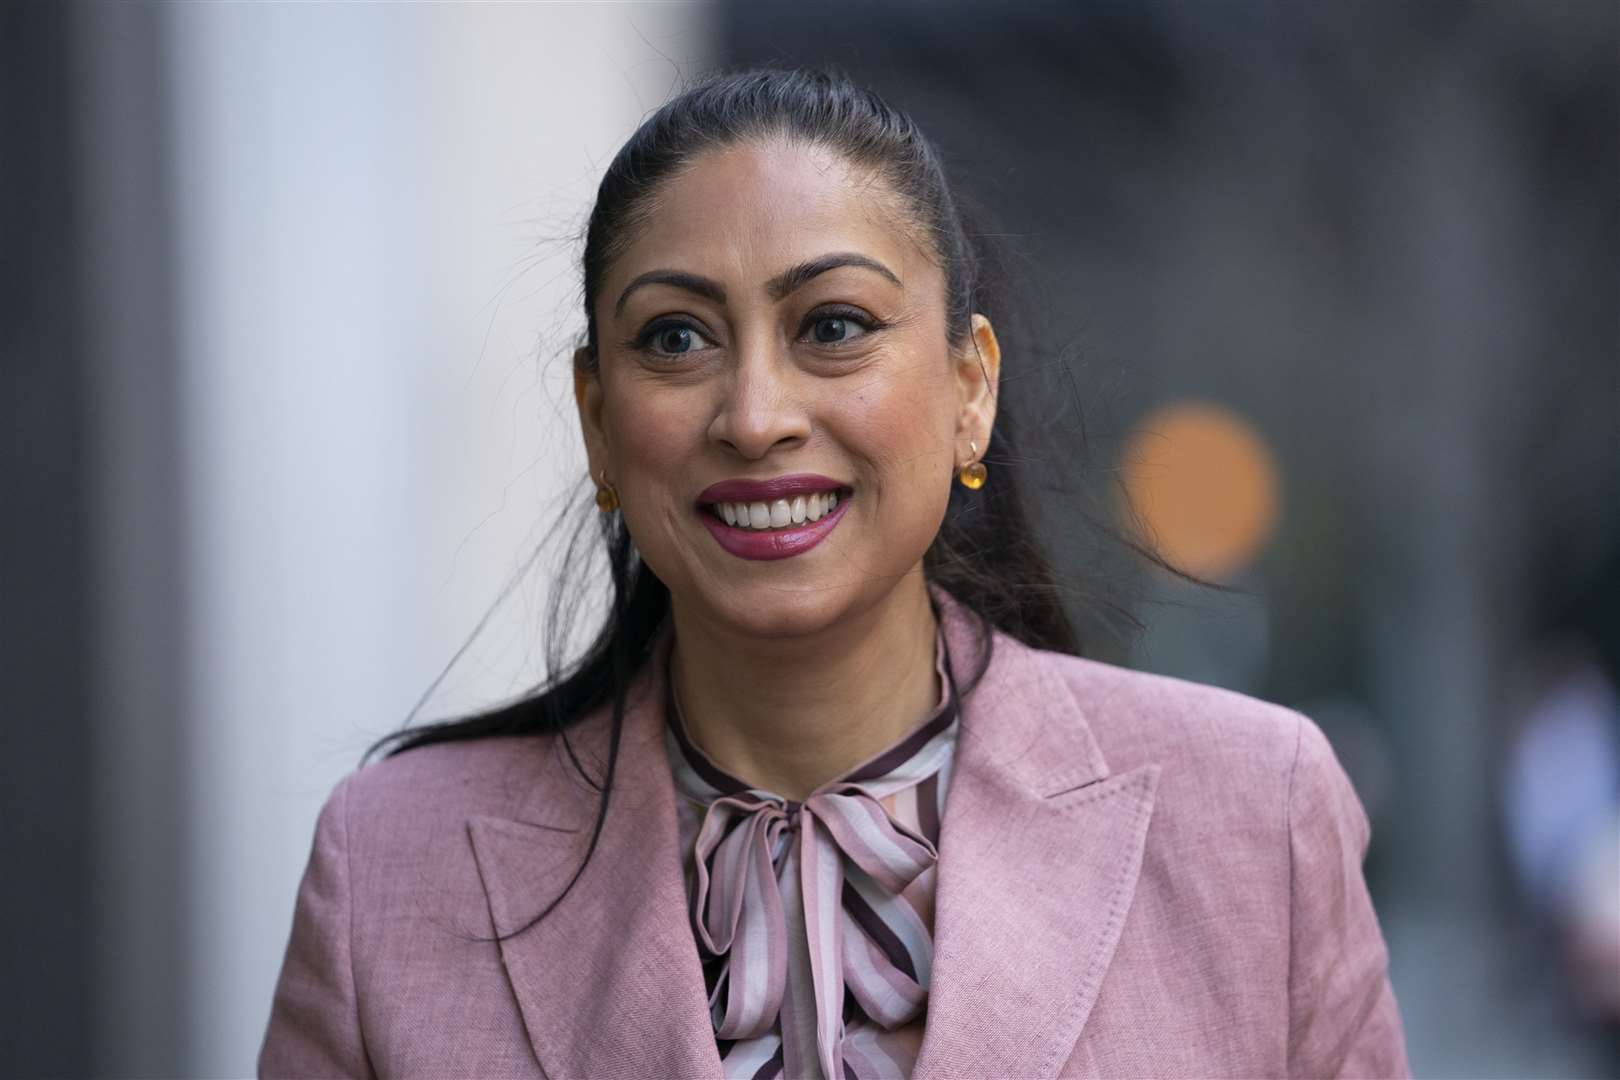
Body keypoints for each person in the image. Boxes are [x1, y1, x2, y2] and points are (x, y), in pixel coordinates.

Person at [258, 67, 1410, 1079]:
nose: (756, 417)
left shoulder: (1257, 819)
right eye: (675, 338)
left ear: (970, 392)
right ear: (599, 423)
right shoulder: (391, 870)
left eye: (835, 324)